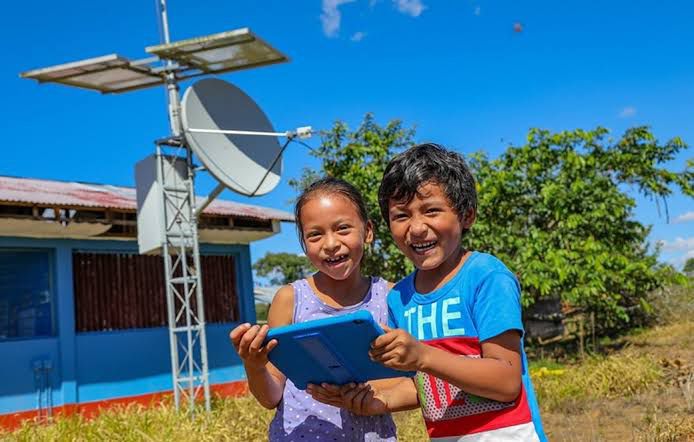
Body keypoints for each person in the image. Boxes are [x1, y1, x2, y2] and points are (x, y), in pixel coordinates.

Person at [310, 144, 547, 441]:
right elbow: (421, 386)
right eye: (401, 215)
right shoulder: (399, 298)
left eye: (431, 210)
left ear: (467, 215)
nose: (417, 228)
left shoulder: (486, 276)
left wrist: (423, 356)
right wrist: (375, 401)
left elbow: (506, 381)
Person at [229, 177, 398, 441]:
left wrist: (366, 395)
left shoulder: (390, 297)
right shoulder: (289, 299)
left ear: (367, 231)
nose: (330, 244)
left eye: (342, 228)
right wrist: (254, 365)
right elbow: (270, 397)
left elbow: (408, 381)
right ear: (304, 244)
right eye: (315, 235)